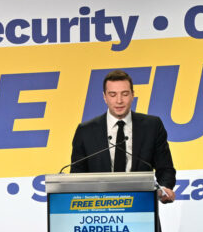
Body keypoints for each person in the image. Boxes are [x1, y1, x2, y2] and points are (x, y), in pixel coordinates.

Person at [69, 70, 176, 204]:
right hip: (99, 208)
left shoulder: (152, 126)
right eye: (112, 95)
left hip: (141, 206)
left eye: (124, 94)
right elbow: (77, 175)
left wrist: (164, 188)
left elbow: (165, 168)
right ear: (105, 97)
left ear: (132, 95)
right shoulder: (85, 131)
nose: (119, 101)